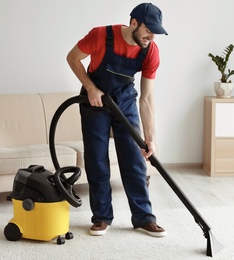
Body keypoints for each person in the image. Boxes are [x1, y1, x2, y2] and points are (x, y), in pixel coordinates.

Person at [66, 3, 168, 237]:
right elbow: (72, 57)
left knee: (134, 158)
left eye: (155, 32)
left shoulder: (150, 51)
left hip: (125, 101)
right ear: (134, 23)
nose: (151, 37)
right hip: (95, 101)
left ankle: (143, 217)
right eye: (148, 30)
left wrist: (150, 139)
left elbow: (147, 97)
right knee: (97, 159)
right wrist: (90, 87)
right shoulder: (101, 35)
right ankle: (102, 217)